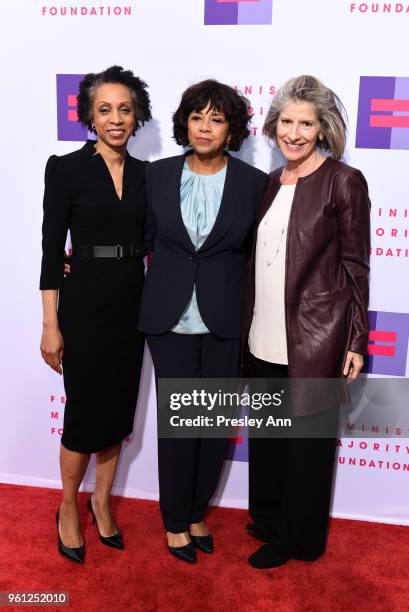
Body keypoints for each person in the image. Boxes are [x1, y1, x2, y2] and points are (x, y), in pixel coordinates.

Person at [243, 75, 371, 569]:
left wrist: (356, 338)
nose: (294, 133)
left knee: (308, 444)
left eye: (306, 123)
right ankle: (273, 517)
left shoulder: (344, 180)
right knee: (272, 438)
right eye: (287, 122)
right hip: (265, 330)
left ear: (323, 129)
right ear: (275, 125)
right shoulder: (273, 181)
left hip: (318, 334)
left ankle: (299, 538)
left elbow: (356, 264)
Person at [138, 80, 267, 563]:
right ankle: (173, 521)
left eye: (216, 118)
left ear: (231, 128)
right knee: (179, 423)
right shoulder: (156, 175)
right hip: (167, 317)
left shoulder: (254, 184)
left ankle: (196, 513)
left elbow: (260, 254)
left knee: (212, 424)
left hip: (224, 318)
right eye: (197, 116)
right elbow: (135, 235)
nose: (205, 126)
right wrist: (76, 260)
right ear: (184, 123)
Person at [40, 66, 152, 563]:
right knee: (85, 411)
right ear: (88, 114)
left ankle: (102, 501)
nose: (115, 118)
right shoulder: (64, 168)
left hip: (133, 299)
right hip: (83, 301)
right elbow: (50, 250)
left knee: (117, 411)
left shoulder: (150, 174)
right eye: (104, 109)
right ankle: (68, 506)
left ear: (136, 116)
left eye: (124, 109)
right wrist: (51, 323)